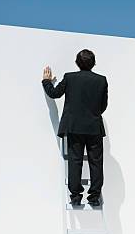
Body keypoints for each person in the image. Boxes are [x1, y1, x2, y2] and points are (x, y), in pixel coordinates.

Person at [41, 49, 108, 207]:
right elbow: (103, 106)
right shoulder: (101, 80)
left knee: (75, 161)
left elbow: (55, 94)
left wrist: (46, 81)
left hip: (74, 128)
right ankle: (94, 196)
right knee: (96, 163)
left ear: (77, 63)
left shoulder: (69, 78)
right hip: (94, 128)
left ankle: (76, 196)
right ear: (94, 63)